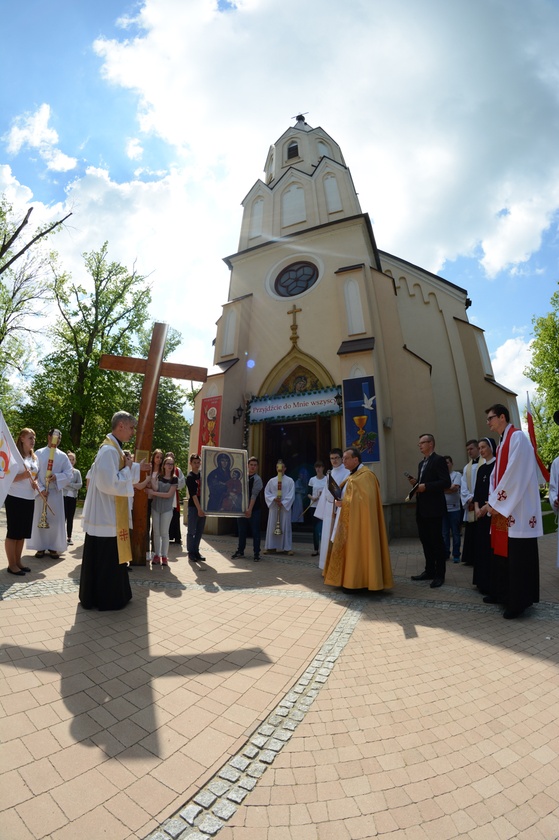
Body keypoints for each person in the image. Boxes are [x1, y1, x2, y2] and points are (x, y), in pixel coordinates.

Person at [485, 403, 542, 619]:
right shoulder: (501, 444)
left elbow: (514, 473)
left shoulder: (517, 438)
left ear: (502, 417)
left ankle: (518, 602)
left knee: (517, 556)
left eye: (490, 418)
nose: (488, 422)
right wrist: (493, 500)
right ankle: (503, 593)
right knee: (502, 553)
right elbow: (495, 476)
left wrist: (497, 503)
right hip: (505, 507)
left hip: (517, 510)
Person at [78, 411, 136, 611]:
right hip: (106, 515)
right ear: (120, 425)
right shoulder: (109, 451)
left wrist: (133, 467)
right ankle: (107, 598)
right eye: (131, 427)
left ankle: (97, 596)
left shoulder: (114, 449)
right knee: (106, 559)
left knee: (104, 558)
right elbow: (108, 483)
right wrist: (129, 469)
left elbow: (118, 473)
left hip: (108, 514)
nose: (132, 432)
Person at [323, 447, 393, 590]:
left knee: (359, 549)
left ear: (356, 459)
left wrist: (344, 503)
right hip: (349, 520)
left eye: (346, 458)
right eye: (342, 458)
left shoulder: (366, 476)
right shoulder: (352, 476)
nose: (343, 461)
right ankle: (348, 579)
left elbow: (366, 501)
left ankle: (358, 582)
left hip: (361, 523)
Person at [409, 433, 451, 588]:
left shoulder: (438, 460)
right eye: (419, 443)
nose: (419, 445)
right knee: (425, 541)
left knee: (436, 542)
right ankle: (429, 570)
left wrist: (425, 486)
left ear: (431, 444)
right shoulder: (422, 463)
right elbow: (423, 483)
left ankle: (440, 575)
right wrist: (416, 483)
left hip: (434, 509)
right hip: (422, 509)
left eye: (422, 443)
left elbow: (445, 482)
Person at [28, 429, 73, 560]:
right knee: (39, 519)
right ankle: (40, 547)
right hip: (41, 493)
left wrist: (57, 477)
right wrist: (41, 489)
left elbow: (69, 474)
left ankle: (54, 547)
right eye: (54, 437)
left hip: (55, 492)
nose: (57, 440)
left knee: (55, 521)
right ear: (48, 437)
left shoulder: (63, 456)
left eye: (59, 438)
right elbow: (33, 473)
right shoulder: (39, 453)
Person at [4, 428, 40, 575]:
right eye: (30, 438)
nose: (33, 441)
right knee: (13, 532)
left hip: (29, 498)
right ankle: (11, 564)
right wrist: (23, 476)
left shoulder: (34, 458)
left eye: (34, 438)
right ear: (22, 438)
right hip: (14, 497)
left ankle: (18, 561)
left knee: (22, 533)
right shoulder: (14, 457)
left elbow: (35, 475)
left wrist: (35, 482)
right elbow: (7, 478)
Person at [314, 448, 350, 571]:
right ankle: (326, 566)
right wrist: (322, 511)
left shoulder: (346, 472)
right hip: (329, 508)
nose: (334, 461)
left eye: (336, 458)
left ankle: (336, 567)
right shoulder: (330, 473)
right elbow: (325, 493)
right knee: (326, 537)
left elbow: (346, 491)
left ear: (341, 459)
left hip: (339, 508)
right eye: (332, 458)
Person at [472, 437, 497, 596]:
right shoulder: (481, 469)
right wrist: (476, 508)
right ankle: (481, 582)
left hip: (491, 514)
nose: (480, 450)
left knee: (490, 549)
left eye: (483, 447)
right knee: (480, 547)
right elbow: (476, 493)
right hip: (480, 514)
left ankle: (490, 583)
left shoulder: (497, 466)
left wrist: (485, 509)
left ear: (491, 448)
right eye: (479, 448)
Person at [147, 454, 178, 567]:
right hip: (156, 507)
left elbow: (169, 495)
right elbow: (155, 488)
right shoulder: (159, 476)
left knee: (164, 533)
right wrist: (152, 481)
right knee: (156, 532)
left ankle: (164, 556)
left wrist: (153, 493)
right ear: (164, 465)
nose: (170, 466)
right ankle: (156, 555)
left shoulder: (174, 479)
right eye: (168, 463)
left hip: (166, 509)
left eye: (171, 464)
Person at [231, 456, 263, 561]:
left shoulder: (258, 480)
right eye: (251, 465)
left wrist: (249, 509)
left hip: (254, 509)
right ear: (247, 466)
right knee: (242, 531)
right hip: (241, 509)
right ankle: (240, 551)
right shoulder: (241, 478)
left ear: (257, 467)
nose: (253, 467)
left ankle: (256, 553)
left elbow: (254, 495)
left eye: (255, 465)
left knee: (255, 532)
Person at [264, 460, 295, 554]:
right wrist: (274, 499)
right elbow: (267, 492)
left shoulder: (290, 481)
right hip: (274, 507)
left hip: (285, 507)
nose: (280, 469)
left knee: (285, 526)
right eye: (278, 467)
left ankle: (287, 548)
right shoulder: (271, 481)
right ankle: (271, 547)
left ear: (285, 468)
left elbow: (291, 494)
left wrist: (284, 502)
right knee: (272, 525)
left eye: (282, 467)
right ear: (276, 468)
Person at [460, 439, 480, 566]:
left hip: (480, 503)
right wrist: (469, 498)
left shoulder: (485, 464)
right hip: (471, 503)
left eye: (471, 449)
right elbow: (463, 487)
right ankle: (471, 557)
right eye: (467, 450)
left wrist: (476, 498)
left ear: (478, 448)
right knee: (471, 531)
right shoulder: (466, 467)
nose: (469, 452)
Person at [186, 454, 206, 562]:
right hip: (194, 507)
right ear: (191, 463)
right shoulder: (190, 477)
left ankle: (196, 550)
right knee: (191, 530)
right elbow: (193, 495)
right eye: (195, 463)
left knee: (199, 530)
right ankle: (191, 552)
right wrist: (199, 509)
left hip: (203, 506)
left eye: (198, 462)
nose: (197, 465)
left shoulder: (202, 476)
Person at [442, 456, 462, 563]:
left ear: (452, 463)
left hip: (455, 509)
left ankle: (456, 554)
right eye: (444, 463)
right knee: (444, 534)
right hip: (443, 510)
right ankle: (445, 553)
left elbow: (454, 489)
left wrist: (443, 489)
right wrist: (447, 489)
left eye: (447, 463)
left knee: (455, 533)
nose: (446, 465)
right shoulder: (441, 477)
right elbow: (440, 489)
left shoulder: (457, 475)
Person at [165, 451, 185, 545]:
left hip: (174, 496)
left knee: (175, 517)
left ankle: (176, 537)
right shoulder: (163, 470)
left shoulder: (177, 470)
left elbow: (182, 481)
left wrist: (175, 485)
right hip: (165, 496)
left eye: (172, 457)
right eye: (169, 457)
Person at [308, 461, 327, 556]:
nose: (318, 469)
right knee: (315, 529)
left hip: (324, 506)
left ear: (323, 468)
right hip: (314, 506)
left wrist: (322, 496)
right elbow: (308, 493)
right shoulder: (312, 479)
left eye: (320, 467)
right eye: (316, 467)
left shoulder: (327, 479)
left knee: (325, 528)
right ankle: (316, 549)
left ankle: (325, 549)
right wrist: (312, 498)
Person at [63, 451, 82, 545]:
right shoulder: (63, 471)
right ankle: (61, 536)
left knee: (70, 518)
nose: (71, 461)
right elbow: (62, 484)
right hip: (64, 497)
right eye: (69, 459)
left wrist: (70, 484)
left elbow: (79, 485)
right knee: (63, 518)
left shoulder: (77, 472)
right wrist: (71, 485)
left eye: (72, 459)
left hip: (73, 498)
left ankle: (69, 537)